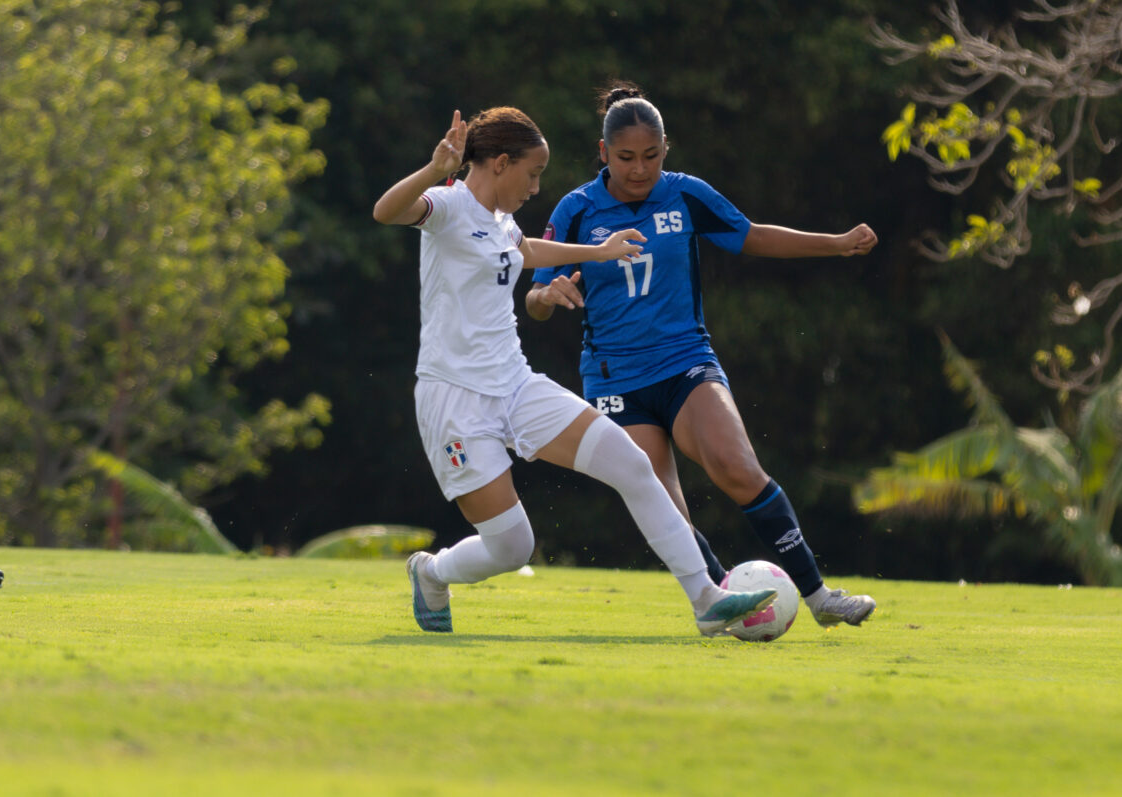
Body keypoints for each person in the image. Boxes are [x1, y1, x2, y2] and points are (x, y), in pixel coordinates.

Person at [372, 107, 776, 636]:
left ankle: (705, 598)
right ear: (499, 163)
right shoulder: (447, 205)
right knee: (513, 546)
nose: (538, 187)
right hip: (456, 401)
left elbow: (526, 251)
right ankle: (431, 571)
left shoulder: (501, 220)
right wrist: (431, 170)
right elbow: (386, 212)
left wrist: (600, 252)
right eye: (533, 173)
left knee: (633, 465)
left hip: (516, 386)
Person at [525, 82, 878, 630]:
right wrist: (546, 296)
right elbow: (535, 295)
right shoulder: (575, 210)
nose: (639, 170)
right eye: (625, 158)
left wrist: (833, 242)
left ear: (666, 149)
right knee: (664, 504)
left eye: (651, 156)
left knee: (736, 468)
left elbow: (752, 236)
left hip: (686, 361)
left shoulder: (685, 194)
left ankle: (818, 596)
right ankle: (720, 603)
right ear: (602, 153)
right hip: (615, 377)